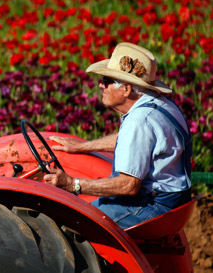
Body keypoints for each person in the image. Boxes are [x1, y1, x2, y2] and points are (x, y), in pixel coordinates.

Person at [43, 42, 192, 228]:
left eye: (106, 81)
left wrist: (73, 184)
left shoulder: (139, 120)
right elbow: (137, 143)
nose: (100, 85)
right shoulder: (161, 104)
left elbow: (128, 185)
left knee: (71, 225)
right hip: (173, 201)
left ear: (127, 89)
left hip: (152, 205)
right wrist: (82, 146)